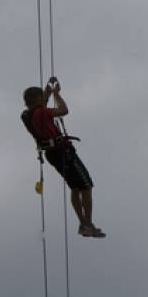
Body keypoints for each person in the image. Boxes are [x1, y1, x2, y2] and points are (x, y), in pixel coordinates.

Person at [21, 79, 105, 238]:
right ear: (36, 100)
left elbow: (40, 105)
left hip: (52, 154)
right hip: (63, 152)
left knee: (75, 187)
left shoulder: (27, 115)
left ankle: (84, 224)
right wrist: (57, 94)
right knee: (86, 186)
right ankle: (87, 223)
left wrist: (47, 91)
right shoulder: (42, 112)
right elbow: (64, 110)